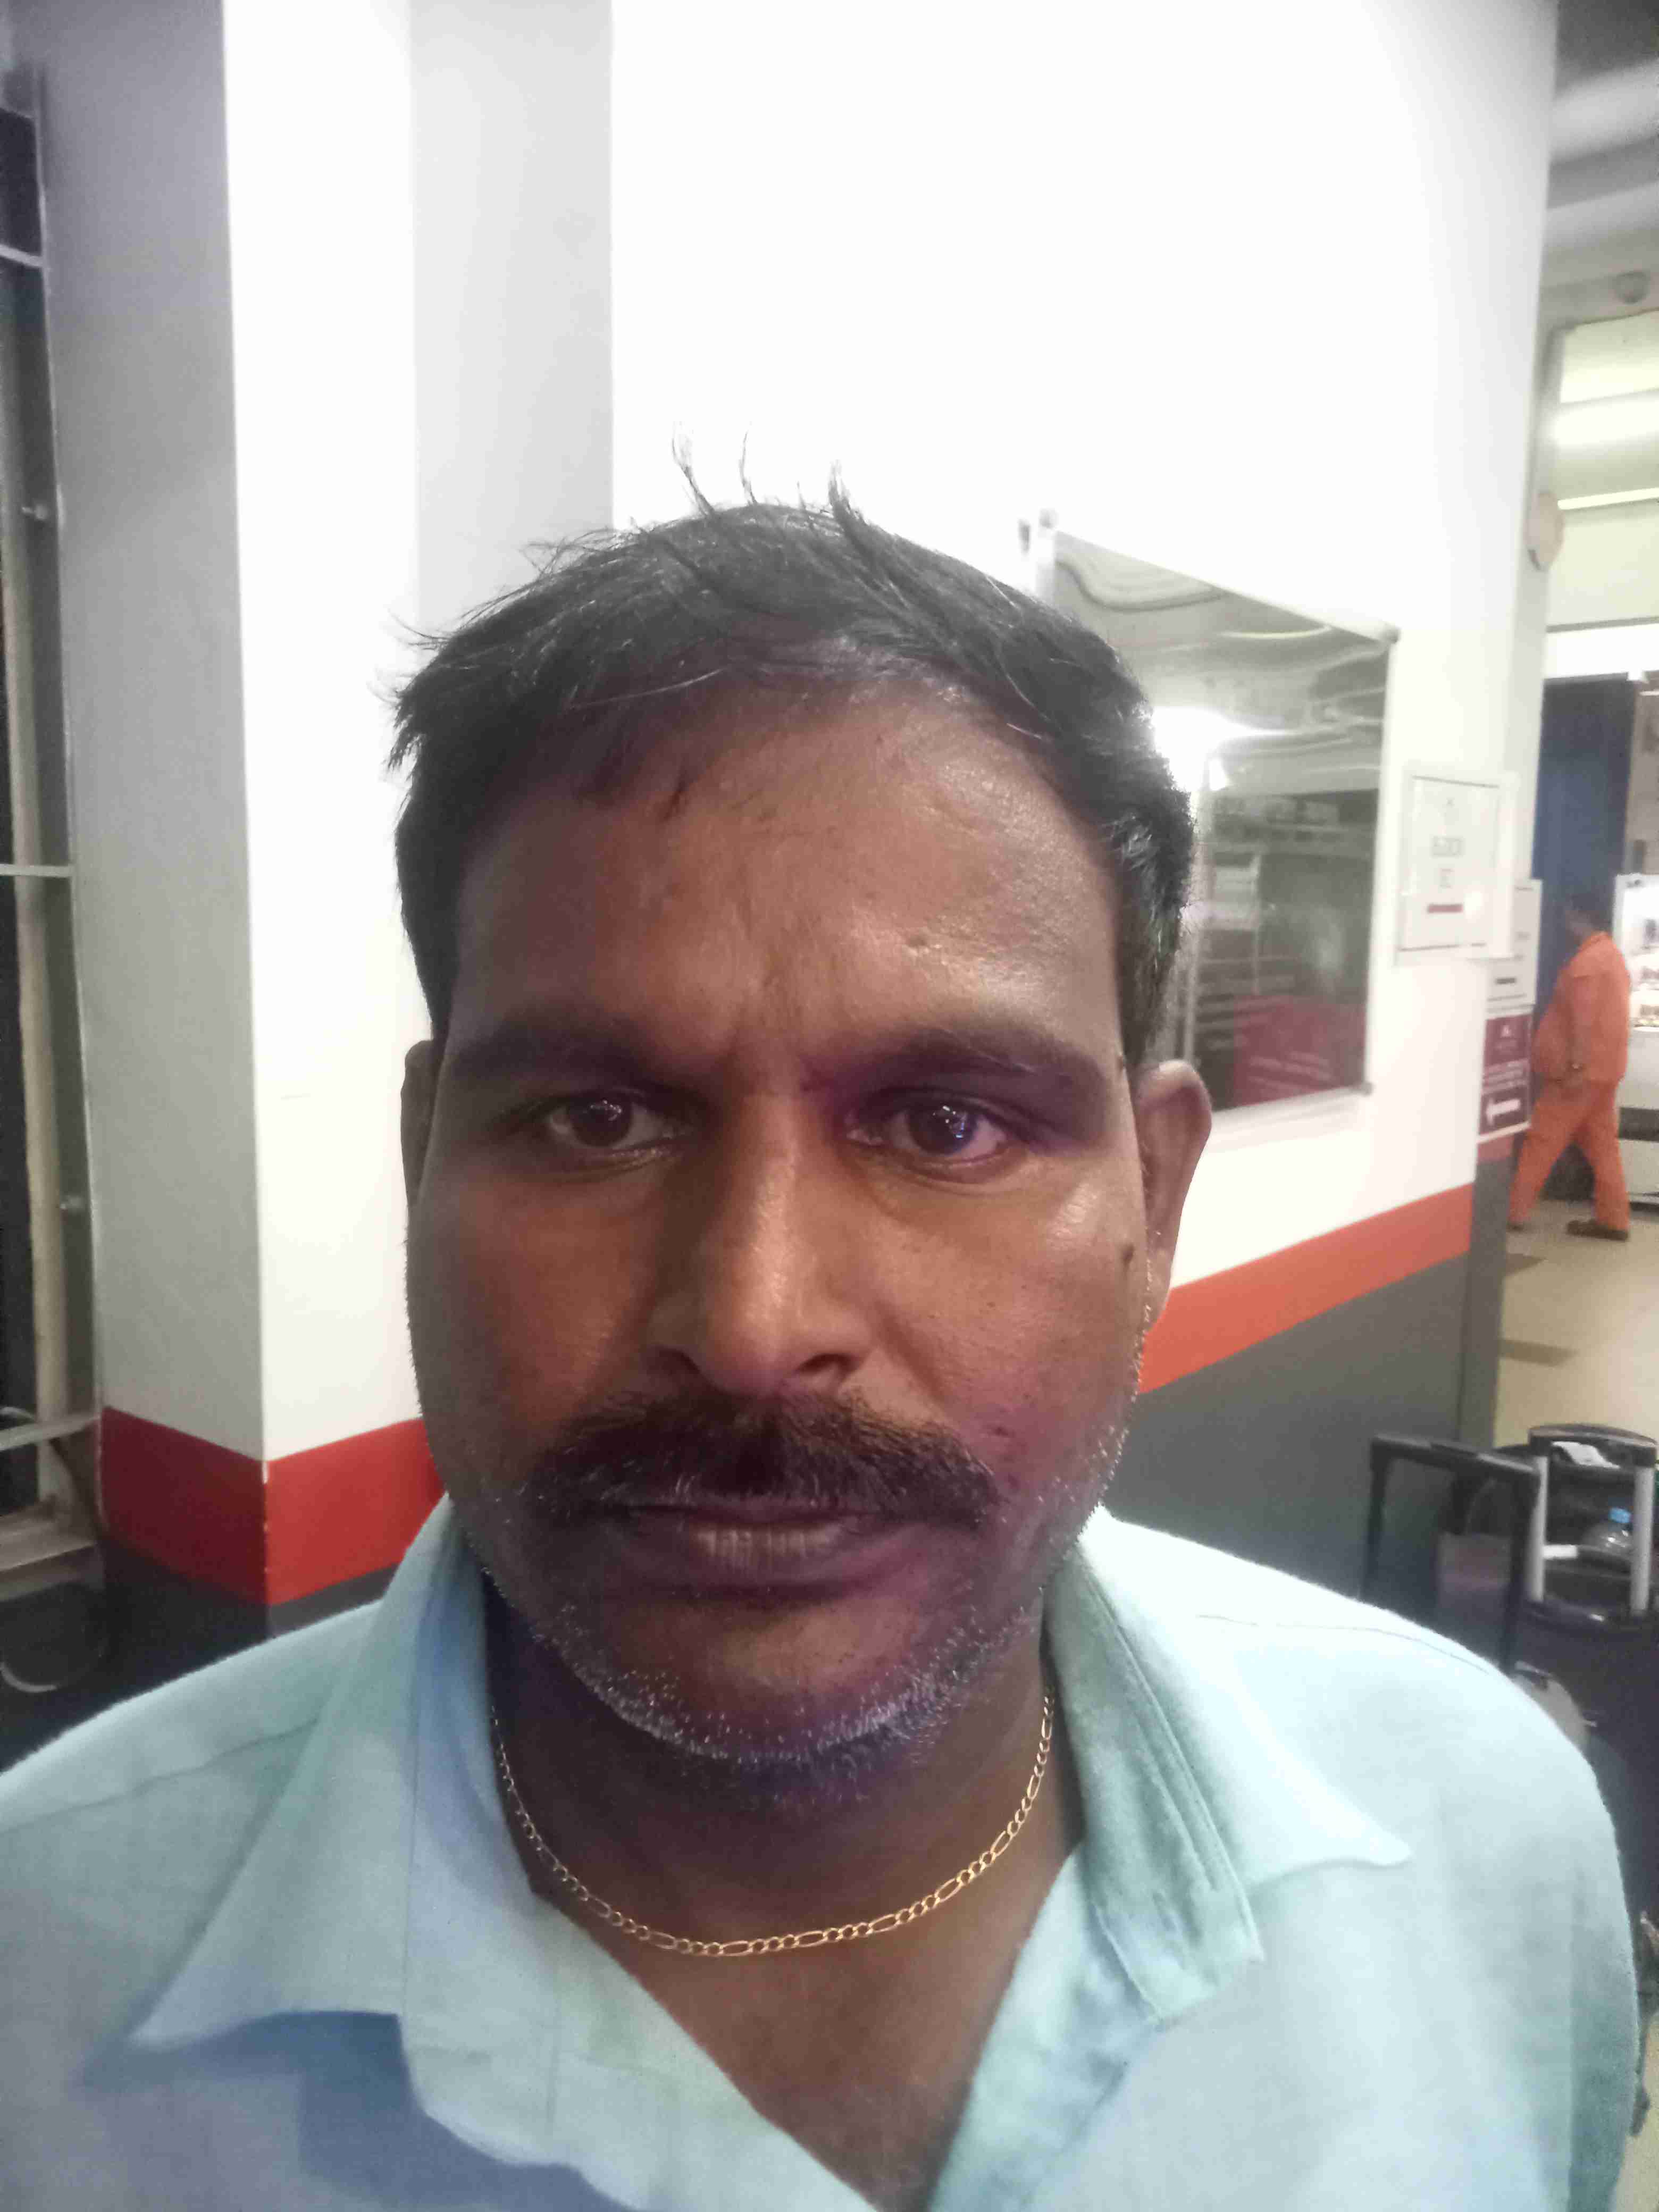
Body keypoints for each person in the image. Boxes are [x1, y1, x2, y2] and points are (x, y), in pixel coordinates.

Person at [0, 494, 1637, 2210]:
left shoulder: (1487, 1852)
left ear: (1153, 1200)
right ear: (425, 1164)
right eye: (597, 1118)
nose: (754, 1325)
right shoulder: (46, 1979)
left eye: (945, 1124)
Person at [1509, 887, 1633, 1243]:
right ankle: (1614, 1219)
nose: (1564, 922)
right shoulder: (1612, 956)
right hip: (1605, 1071)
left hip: (1578, 1074)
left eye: (1567, 915)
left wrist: (1576, 1066)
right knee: (1602, 1146)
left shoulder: (1586, 964)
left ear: (1578, 915)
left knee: (1541, 1139)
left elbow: (1583, 1022)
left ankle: (1513, 1212)